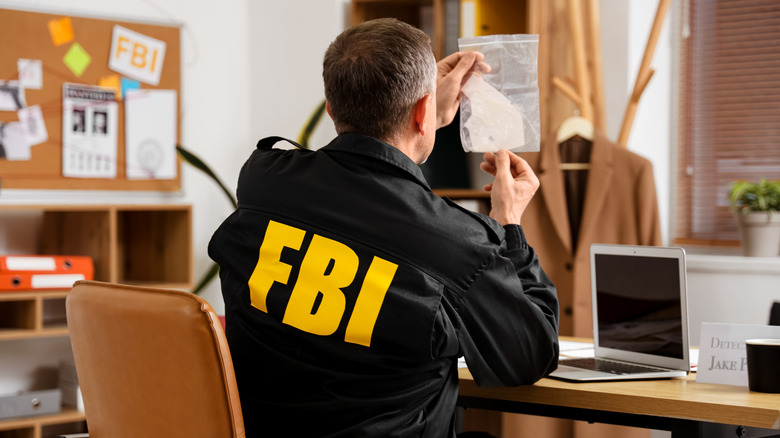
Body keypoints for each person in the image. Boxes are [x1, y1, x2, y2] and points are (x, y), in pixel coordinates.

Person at [209, 18, 559, 437]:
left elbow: (373, 195)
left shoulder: (264, 179)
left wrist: (423, 120)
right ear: (422, 110)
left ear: (332, 108)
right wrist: (510, 224)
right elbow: (530, 354)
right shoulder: (457, 241)